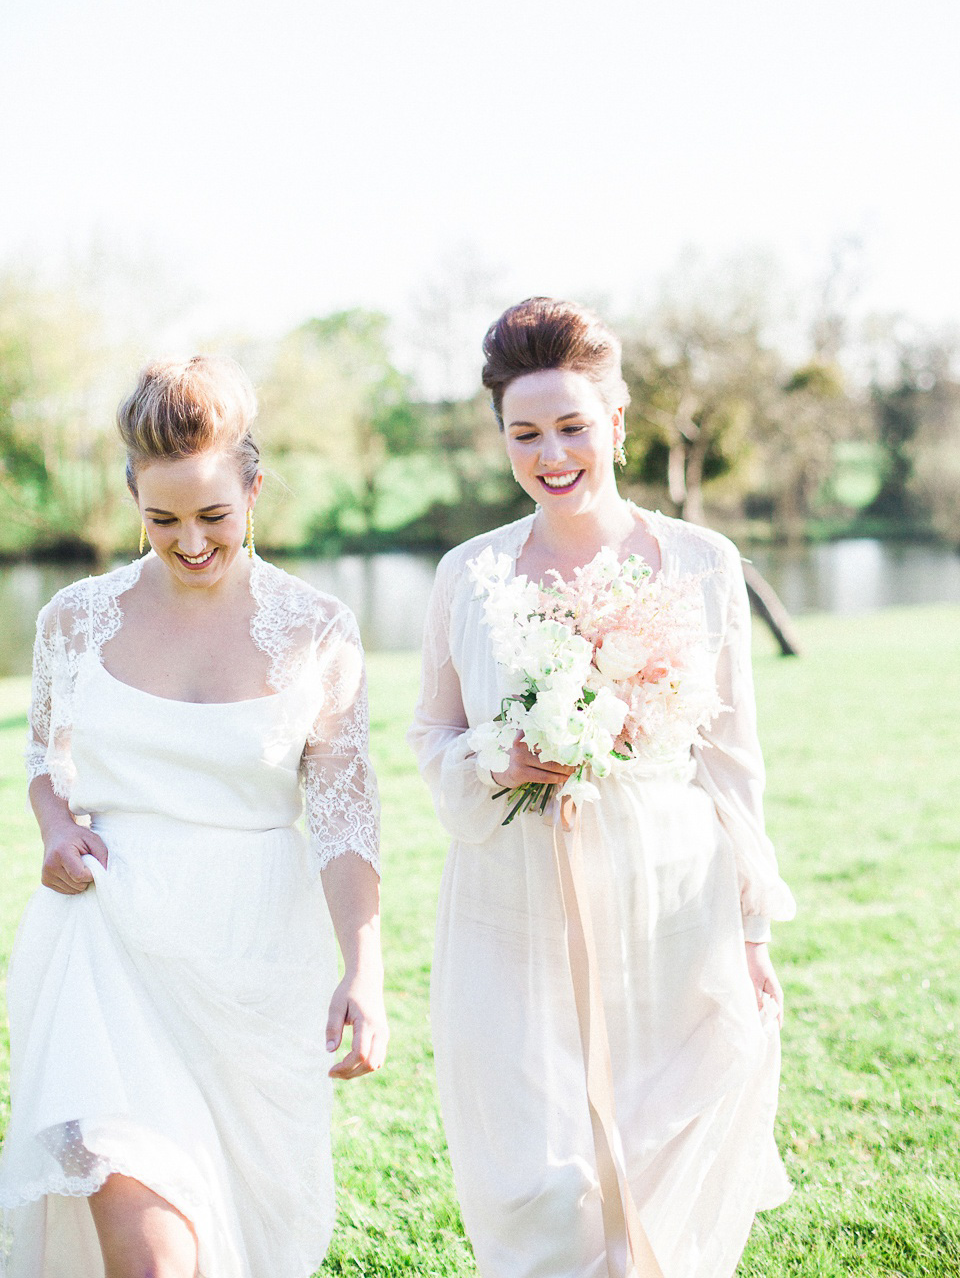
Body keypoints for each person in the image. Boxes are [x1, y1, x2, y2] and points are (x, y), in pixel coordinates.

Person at [408, 298, 796, 1278]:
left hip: (670, 905)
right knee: (544, 1185)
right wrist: (498, 757)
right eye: (524, 434)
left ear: (616, 424)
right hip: (512, 910)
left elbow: (733, 760)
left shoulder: (702, 564)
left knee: (653, 1177)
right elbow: (430, 734)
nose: (551, 454)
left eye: (572, 426)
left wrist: (750, 933)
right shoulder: (469, 574)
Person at [0, 356, 387, 1278]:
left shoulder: (318, 627)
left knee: (243, 1234)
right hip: (103, 942)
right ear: (133, 495)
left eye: (214, 515)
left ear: (254, 488)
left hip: (251, 952)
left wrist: (363, 972)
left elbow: (342, 821)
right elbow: (42, 764)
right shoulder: (74, 618)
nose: (191, 541)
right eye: (163, 518)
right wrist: (57, 831)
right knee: (147, 1248)